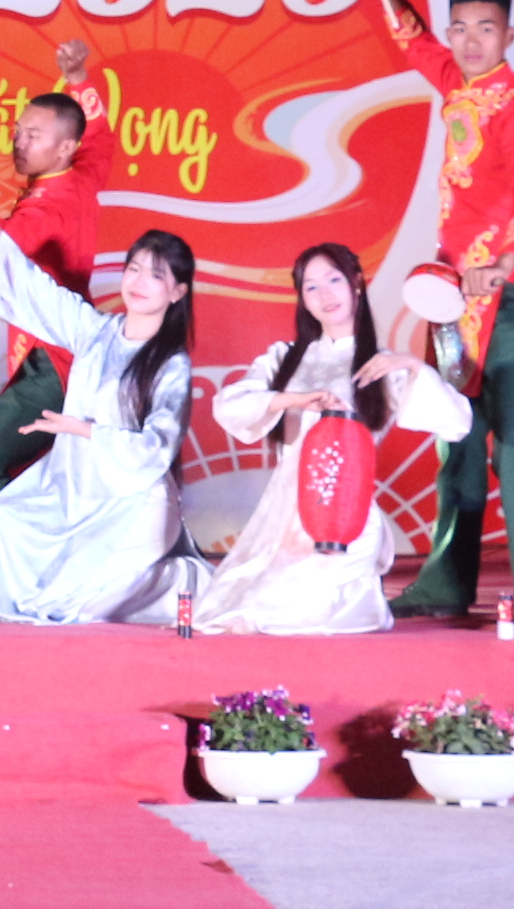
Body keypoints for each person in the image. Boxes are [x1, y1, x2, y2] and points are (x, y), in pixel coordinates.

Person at [365, 0, 514, 631]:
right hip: (454, 301)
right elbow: (411, 42)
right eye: (460, 28)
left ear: (509, 36)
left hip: (506, 297)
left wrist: (504, 262)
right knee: (456, 435)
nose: (471, 40)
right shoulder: (455, 83)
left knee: (513, 442)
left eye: (486, 28)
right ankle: (447, 585)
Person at [0, 179, 199, 627]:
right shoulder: (94, 332)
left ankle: (179, 579)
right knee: (0, 522)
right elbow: (25, 279)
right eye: (133, 268)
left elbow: (157, 447)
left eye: (156, 275)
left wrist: (82, 429)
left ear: (177, 292)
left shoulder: (171, 364)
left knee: (89, 609)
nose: (139, 281)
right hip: (75, 488)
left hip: (135, 503)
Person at [196, 241, 470, 635]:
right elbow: (229, 405)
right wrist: (292, 399)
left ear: (356, 283)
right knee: (241, 607)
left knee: (316, 611)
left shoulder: (379, 364)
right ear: (302, 299)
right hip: (284, 515)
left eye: (334, 280)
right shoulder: (285, 358)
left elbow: (458, 422)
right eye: (311, 287)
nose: (325, 295)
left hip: (347, 516)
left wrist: (412, 366)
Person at [0, 40, 115, 558]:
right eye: (18, 132)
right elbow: (99, 136)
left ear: (64, 147)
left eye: (33, 135)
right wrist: (77, 76)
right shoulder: (79, 175)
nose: (19, 142)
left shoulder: (47, 205)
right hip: (65, 357)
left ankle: (13, 563)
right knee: (33, 472)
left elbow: (0, 250)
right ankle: (33, 556)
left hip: (52, 362)